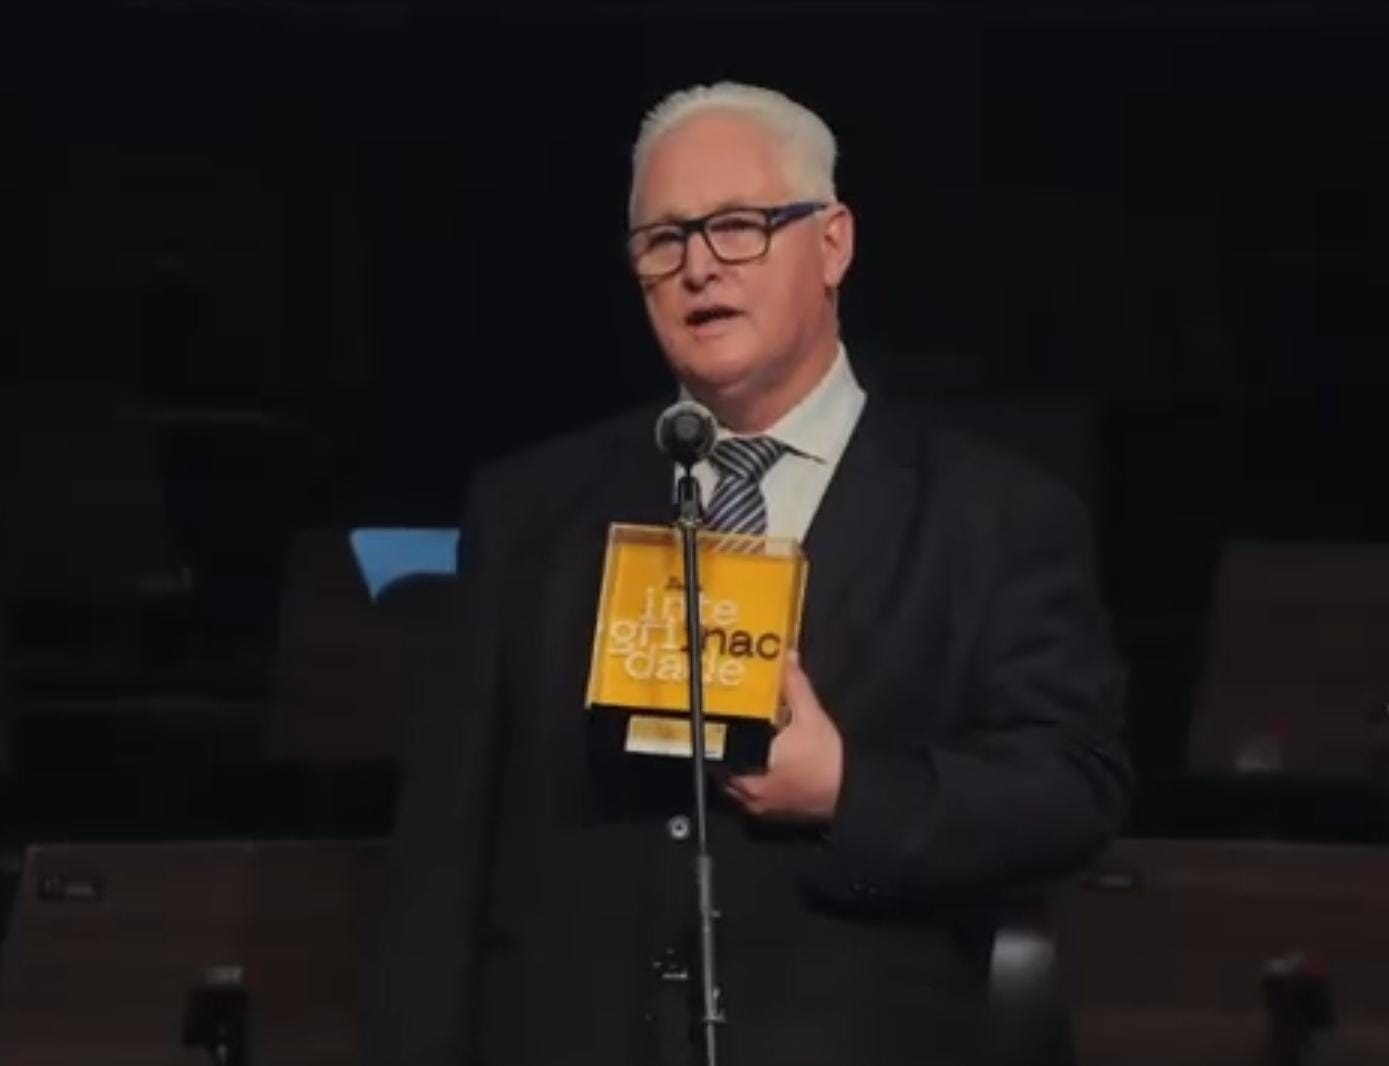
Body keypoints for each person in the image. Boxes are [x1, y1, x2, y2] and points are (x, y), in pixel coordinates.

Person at [365, 82, 1130, 1066]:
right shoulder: (529, 511)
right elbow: (440, 864)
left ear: (834, 242)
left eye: (737, 227)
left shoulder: (996, 518)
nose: (697, 268)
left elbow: (1073, 790)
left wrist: (846, 789)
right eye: (664, 240)